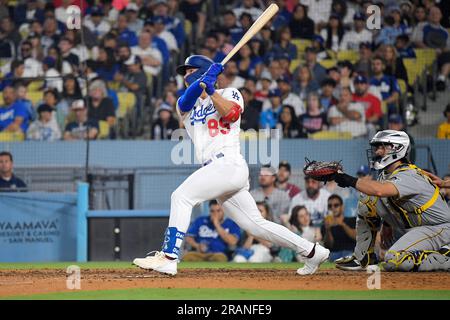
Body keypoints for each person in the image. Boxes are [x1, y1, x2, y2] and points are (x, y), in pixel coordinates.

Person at [133, 55, 330, 275]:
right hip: (216, 170)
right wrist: (202, 83)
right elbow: (187, 100)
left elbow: (232, 113)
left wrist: (212, 90)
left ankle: (169, 257)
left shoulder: (230, 93)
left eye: (190, 70)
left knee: (181, 196)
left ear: (204, 70)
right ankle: (312, 252)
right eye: (185, 72)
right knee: (255, 225)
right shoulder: (184, 104)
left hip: (228, 163)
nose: (185, 75)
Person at [328, 130, 450, 272]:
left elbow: (380, 190)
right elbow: (385, 197)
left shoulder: (408, 174)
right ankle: (363, 257)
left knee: (394, 260)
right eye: (377, 147)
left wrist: (347, 179)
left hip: (439, 228)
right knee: (367, 198)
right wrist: (386, 223)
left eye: (382, 147)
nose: (377, 152)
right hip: (418, 227)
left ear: (397, 149)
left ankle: (445, 257)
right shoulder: (387, 175)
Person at [322, 194, 357, 261]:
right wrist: (328, 229)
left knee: (348, 255)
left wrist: (342, 224)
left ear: (342, 207)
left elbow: (355, 237)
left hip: (350, 252)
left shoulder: (352, 220)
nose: (333, 208)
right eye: (330, 206)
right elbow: (328, 245)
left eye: (336, 205)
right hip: (334, 254)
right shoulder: (325, 225)